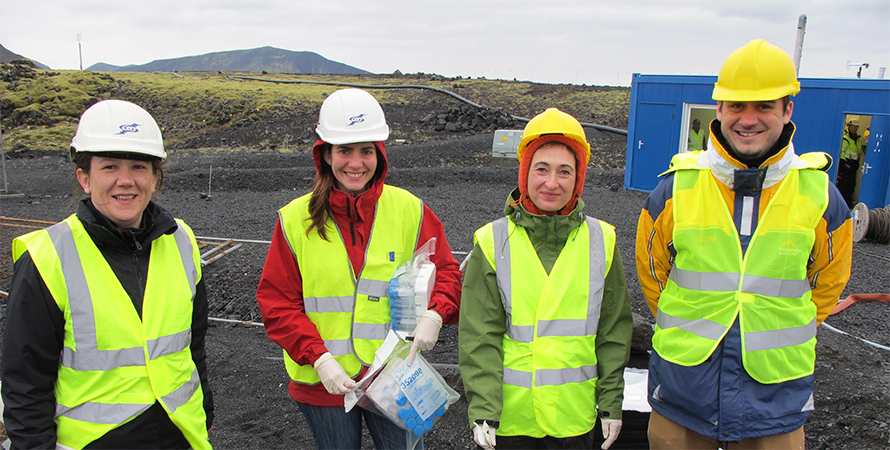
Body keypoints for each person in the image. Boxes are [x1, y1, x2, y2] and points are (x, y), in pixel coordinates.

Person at [636, 39, 853, 449]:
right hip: (684, 386)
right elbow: (653, 276)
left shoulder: (822, 196)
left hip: (775, 396)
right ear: (719, 109)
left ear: (787, 110)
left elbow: (829, 282)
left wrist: (776, 326)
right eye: (736, 105)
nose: (748, 119)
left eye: (764, 106)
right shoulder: (673, 191)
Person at [256, 88, 462, 450]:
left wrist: (436, 313)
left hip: (394, 376)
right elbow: (277, 302)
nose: (355, 162)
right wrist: (318, 358)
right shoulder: (294, 220)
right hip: (324, 384)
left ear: (379, 155)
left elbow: (447, 273)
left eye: (366, 150)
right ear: (326, 155)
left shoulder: (409, 210)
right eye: (344, 150)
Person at [1, 99, 214, 449]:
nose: (126, 181)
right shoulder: (48, 257)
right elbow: (24, 384)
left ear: (155, 178)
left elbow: (194, 347)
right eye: (110, 167)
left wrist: (203, 417)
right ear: (84, 178)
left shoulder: (181, 241)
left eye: (139, 167)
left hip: (182, 436)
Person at [460, 108, 633, 450]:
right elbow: (480, 336)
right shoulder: (493, 242)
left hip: (576, 418)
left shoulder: (602, 241)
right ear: (525, 173)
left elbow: (613, 330)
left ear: (578, 178)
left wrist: (611, 400)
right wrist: (483, 408)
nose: (552, 183)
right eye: (542, 169)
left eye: (564, 171)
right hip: (512, 420)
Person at [837, 116, 864, 208]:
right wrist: (844, 164)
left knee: (851, 186)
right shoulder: (845, 138)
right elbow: (841, 153)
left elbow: (858, 153)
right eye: (854, 126)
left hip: (853, 166)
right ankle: (842, 204)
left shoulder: (858, 140)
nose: (855, 128)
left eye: (857, 127)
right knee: (843, 186)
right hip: (845, 166)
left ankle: (848, 204)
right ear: (849, 127)